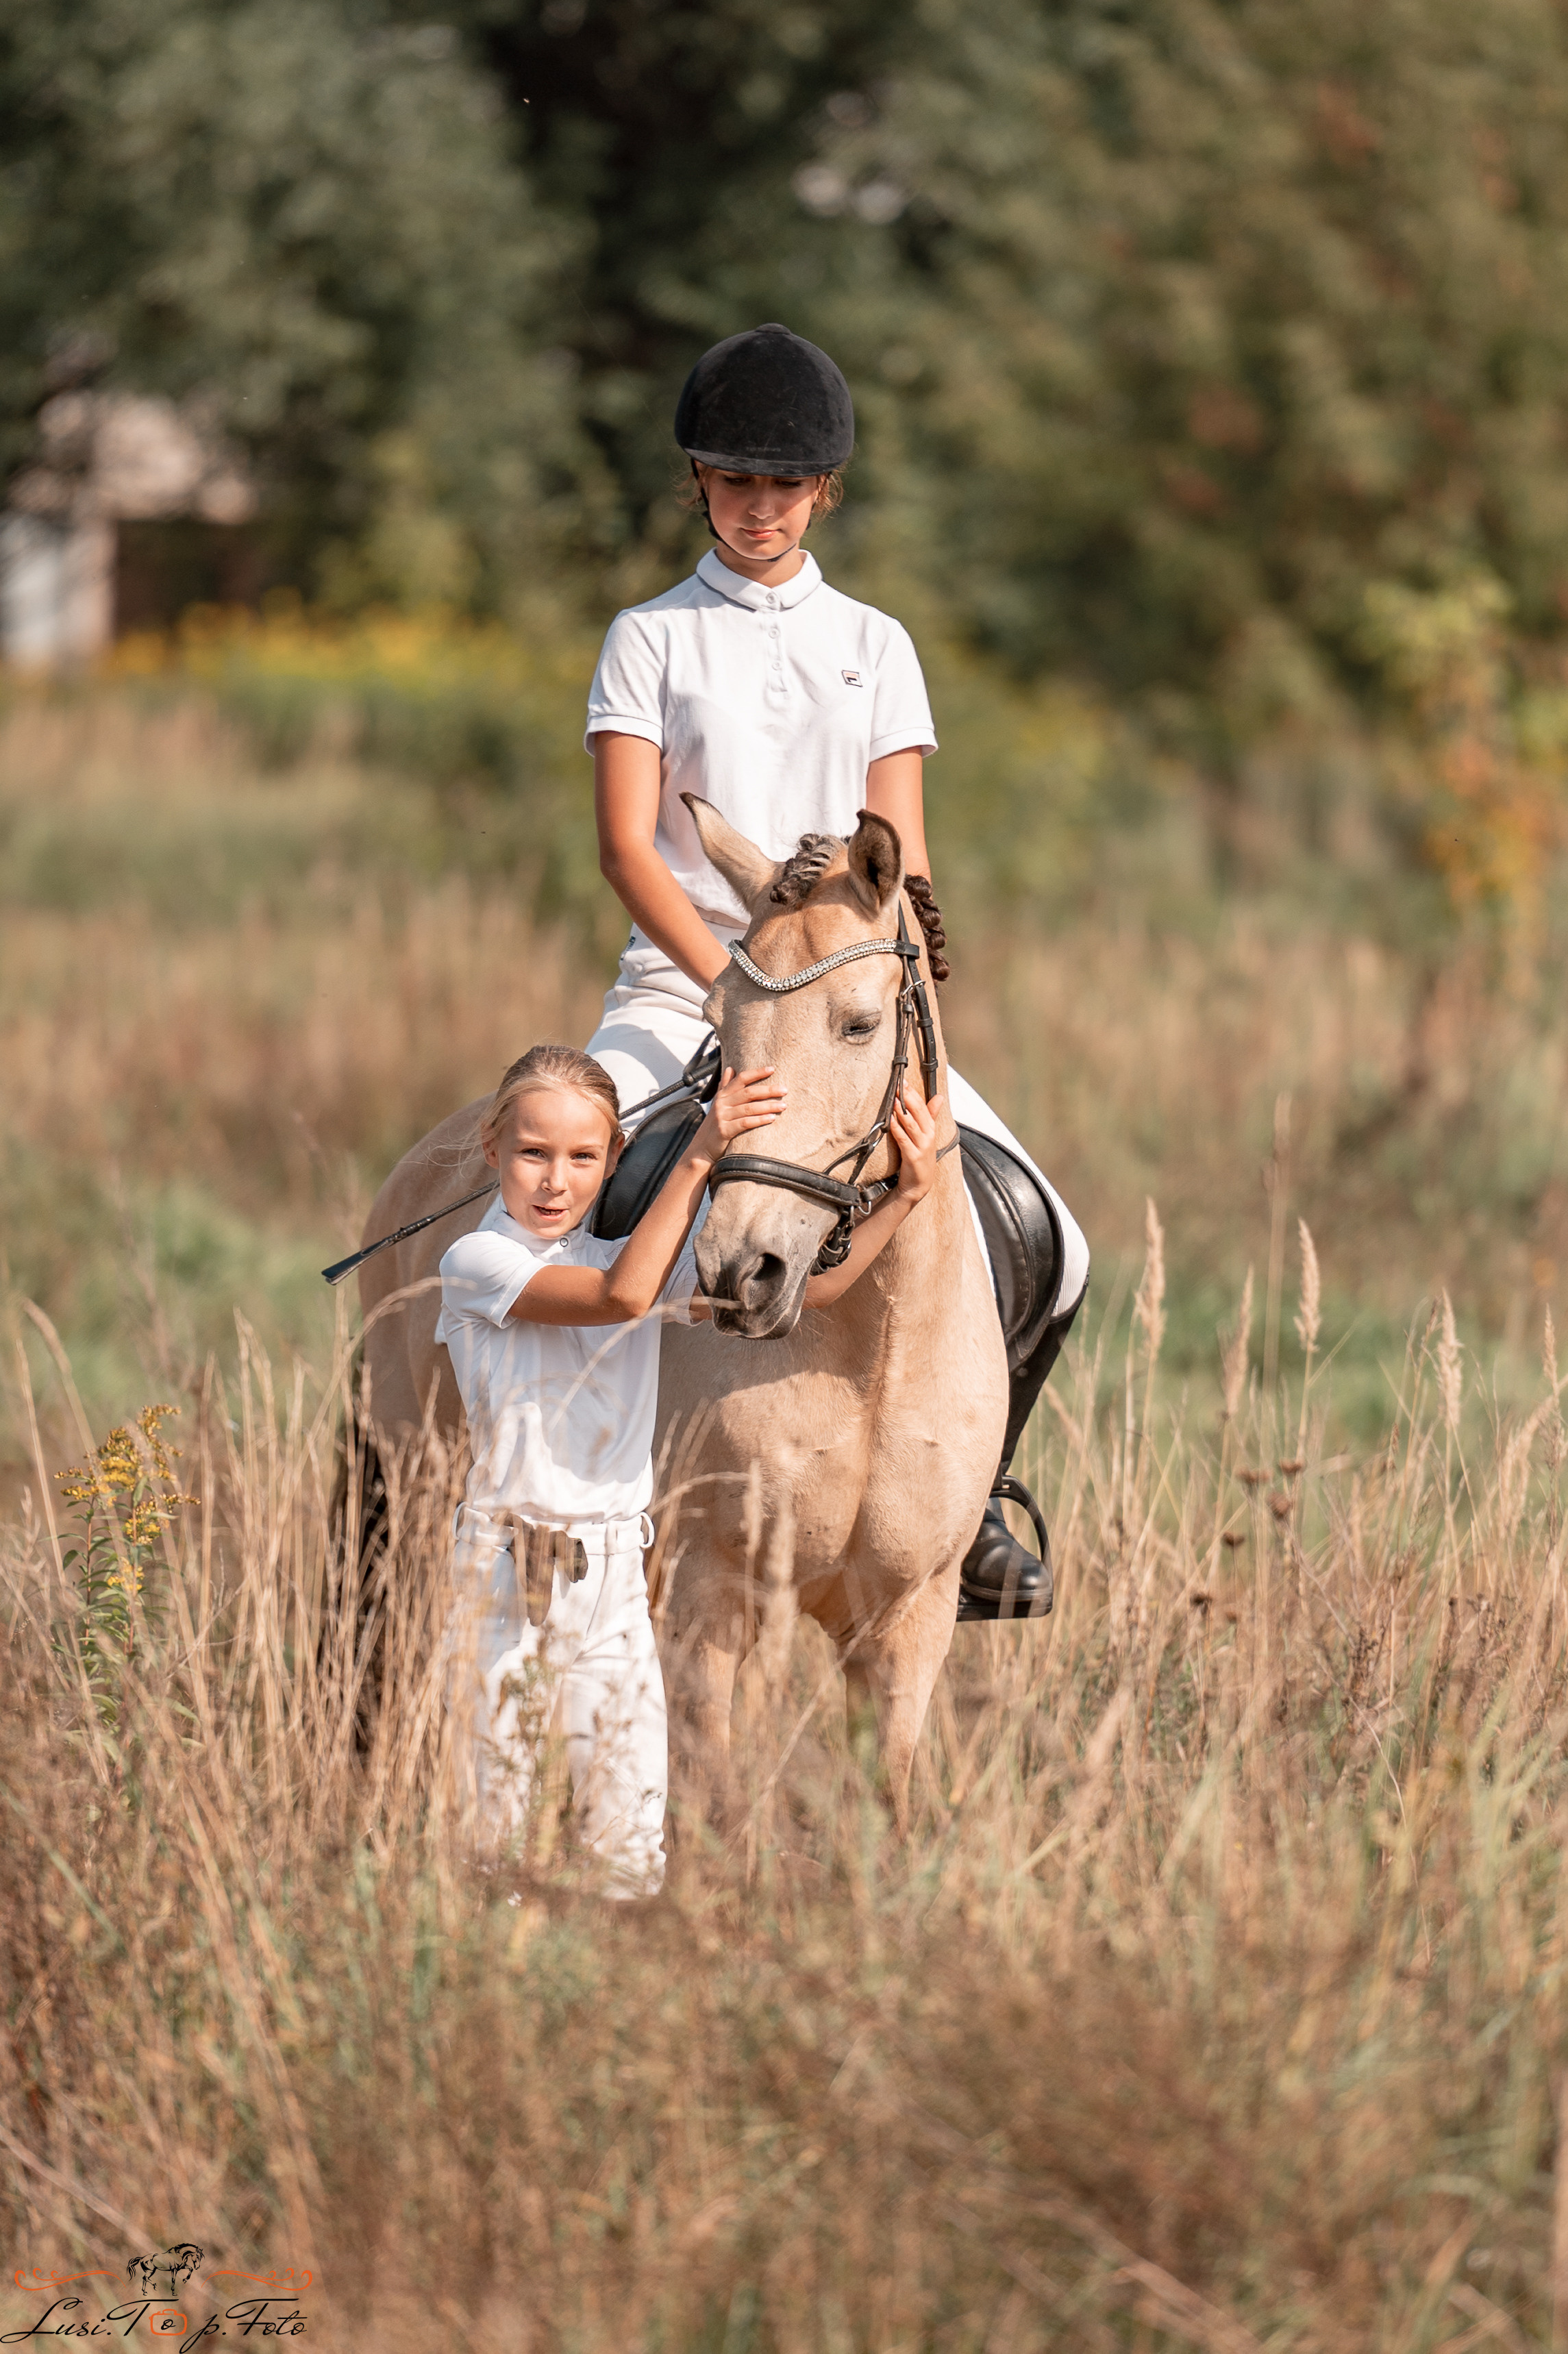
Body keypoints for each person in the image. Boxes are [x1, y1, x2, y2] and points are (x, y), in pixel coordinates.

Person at [582, 321, 1089, 1620]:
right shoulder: (649, 637)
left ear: (824, 492)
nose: (759, 509)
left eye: (784, 486)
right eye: (734, 482)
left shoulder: (874, 643)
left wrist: (898, 1025)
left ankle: (970, 1507)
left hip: (856, 1007)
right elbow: (632, 851)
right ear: (699, 483)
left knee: (1055, 1240)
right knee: (578, 1193)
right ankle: (584, 1485)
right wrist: (733, 993)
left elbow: (903, 860)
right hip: (686, 983)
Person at [436, 1039, 943, 1896]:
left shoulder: (617, 1260)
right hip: (508, 1579)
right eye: (533, 1153)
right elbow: (620, 1303)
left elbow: (802, 1296)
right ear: (493, 1150)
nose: (555, 1181)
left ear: (614, 1160)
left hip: (618, 1587)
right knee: (499, 1843)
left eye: (582, 1158)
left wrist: (906, 1197)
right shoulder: (480, 1263)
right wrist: (704, 1151)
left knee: (629, 1855)